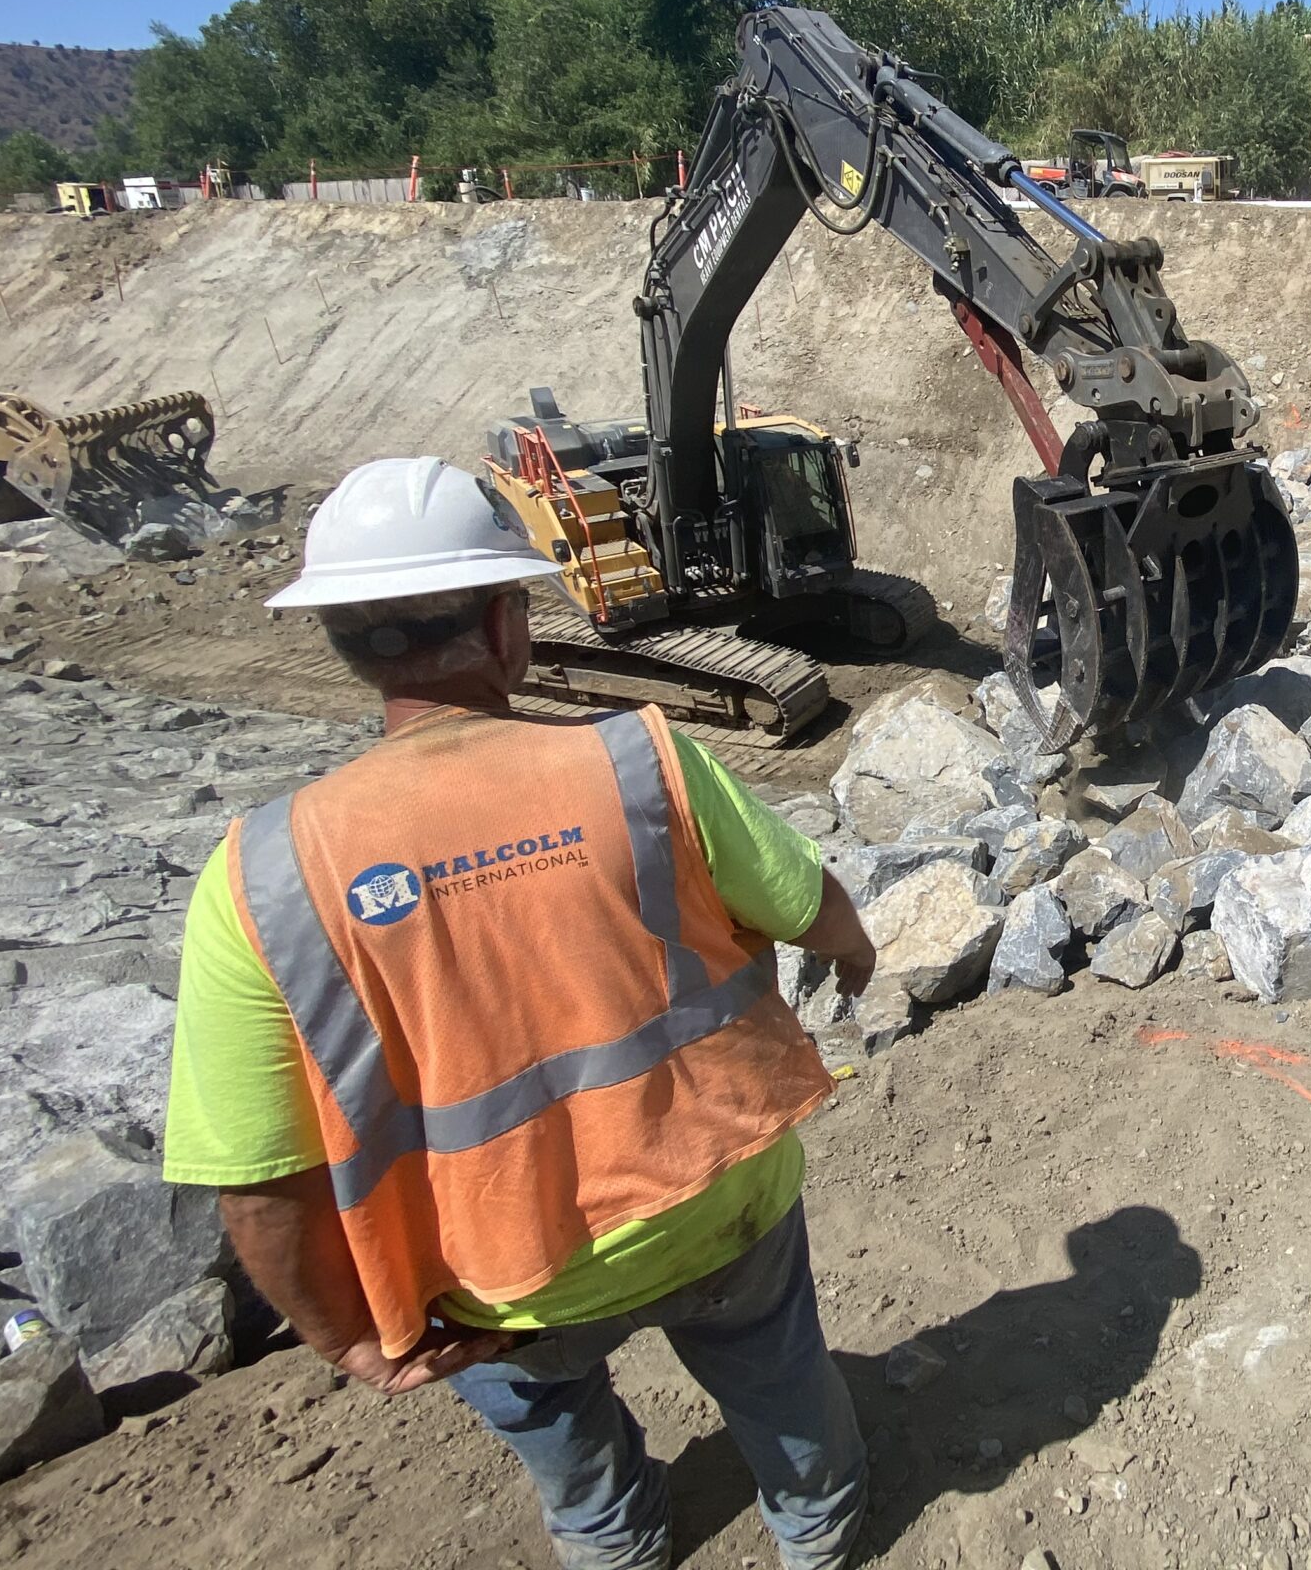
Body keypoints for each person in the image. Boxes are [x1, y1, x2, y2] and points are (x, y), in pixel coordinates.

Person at [160, 456, 877, 1570]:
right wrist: (854, 945)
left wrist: (349, 1336)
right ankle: (819, 1535)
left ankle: (619, 1549)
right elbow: (806, 904)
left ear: (341, 642)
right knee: (778, 1375)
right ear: (507, 626)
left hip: (490, 1272)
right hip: (711, 1197)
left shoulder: (259, 879)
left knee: (568, 1459)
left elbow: (255, 1183)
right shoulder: (640, 763)